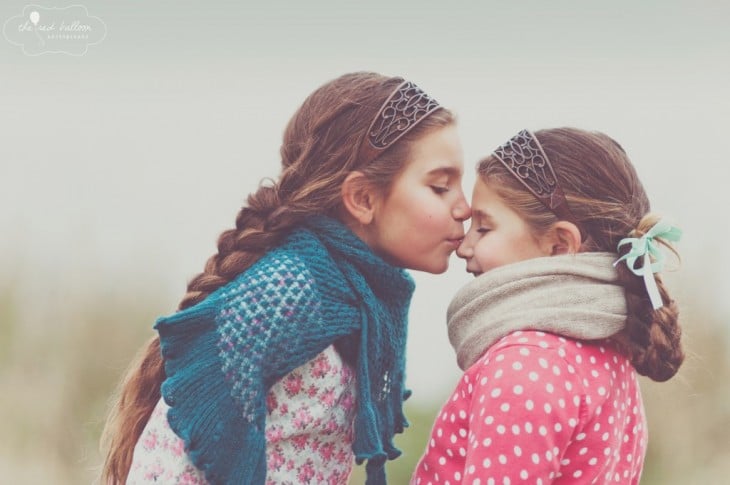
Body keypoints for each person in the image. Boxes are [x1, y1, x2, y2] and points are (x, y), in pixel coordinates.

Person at [100, 71, 471, 485]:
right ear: (362, 198)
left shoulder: (363, 298)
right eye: (441, 187)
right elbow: (186, 428)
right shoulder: (291, 287)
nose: (466, 208)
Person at [411, 128, 683, 485]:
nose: (464, 247)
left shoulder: (523, 365)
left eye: (484, 228)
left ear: (558, 245)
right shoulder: (612, 358)